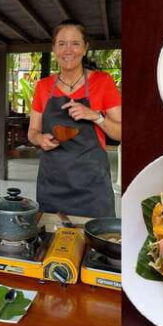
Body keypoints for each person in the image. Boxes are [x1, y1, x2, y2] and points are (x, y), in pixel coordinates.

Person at [28, 20, 122, 217]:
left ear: (85, 48)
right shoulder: (43, 86)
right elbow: (32, 132)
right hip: (52, 184)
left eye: (75, 43)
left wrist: (95, 116)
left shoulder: (102, 82)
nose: (68, 50)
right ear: (54, 48)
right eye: (61, 44)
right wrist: (40, 139)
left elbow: (121, 133)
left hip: (92, 187)